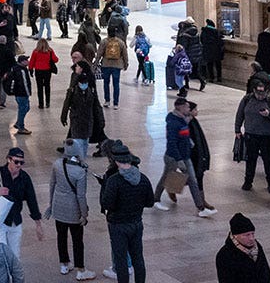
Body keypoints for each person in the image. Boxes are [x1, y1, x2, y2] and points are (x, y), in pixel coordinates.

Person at [98, 141, 154, 283]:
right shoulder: (143, 179)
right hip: (136, 223)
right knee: (138, 258)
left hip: (118, 226)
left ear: (116, 161)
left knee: (121, 260)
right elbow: (150, 202)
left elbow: (107, 204)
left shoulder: (114, 181)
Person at [153, 97, 216, 218]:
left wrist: (189, 143)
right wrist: (178, 160)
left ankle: (201, 208)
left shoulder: (183, 120)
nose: (189, 109)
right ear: (180, 108)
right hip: (173, 158)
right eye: (187, 107)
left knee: (193, 180)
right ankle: (156, 199)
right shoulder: (173, 122)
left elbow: (184, 136)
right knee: (165, 178)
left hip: (186, 156)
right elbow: (172, 143)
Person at [0, 147, 43, 255]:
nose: (19, 165)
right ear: (9, 159)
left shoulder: (24, 178)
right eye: (16, 162)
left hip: (15, 221)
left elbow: (32, 200)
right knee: (0, 253)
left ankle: (12, 272)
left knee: (15, 254)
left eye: (22, 163)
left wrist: (38, 224)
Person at [47, 139, 94, 281]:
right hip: (73, 210)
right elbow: (81, 195)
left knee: (61, 236)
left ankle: (64, 264)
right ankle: (81, 269)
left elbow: (52, 185)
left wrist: (51, 205)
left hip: (58, 206)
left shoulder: (57, 164)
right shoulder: (80, 171)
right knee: (77, 240)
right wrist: (84, 214)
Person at [233, 78, 270, 194]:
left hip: (267, 136)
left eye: (263, 93)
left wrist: (269, 114)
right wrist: (237, 129)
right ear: (254, 91)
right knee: (250, 159)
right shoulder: (247, 100)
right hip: (251, 135)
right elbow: (240, 114)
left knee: (267, 160)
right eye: (258, 92)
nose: (260, 95)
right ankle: (248, 182)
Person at [213, 213, 270, 283]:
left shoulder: (257, 247)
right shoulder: (224, 255)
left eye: (252, 233)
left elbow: (267, 273)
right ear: (235, 236)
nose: (251, 238)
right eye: (246, 235)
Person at [60, 61, 104, 150]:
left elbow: (93, 95)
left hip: (88, 111)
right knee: (75, 129)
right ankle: (68, 145)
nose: (76, 68)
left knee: (96, 130)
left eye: (78, 66)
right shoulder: (75, 75)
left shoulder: (87, 78)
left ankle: (103, 145)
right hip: (78, 112)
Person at [97, 34, 128, 108]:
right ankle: (115, 104)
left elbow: (99, 53)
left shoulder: (104, 41)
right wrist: (125, 64)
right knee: (116, 84)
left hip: (106, 65)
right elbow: (125, 54)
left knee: (106, 83)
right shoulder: (120, 42)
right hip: (117, 66)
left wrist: (96, 63)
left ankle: (107, 101)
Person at [28, 38, 58, 109]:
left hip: (38, 71)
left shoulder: (35, 51)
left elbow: (32, 61)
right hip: (47, 70)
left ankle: (41, 104)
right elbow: (56, 60)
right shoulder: (50, 51)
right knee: (47, 86)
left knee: (40, 88)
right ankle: (48, 102)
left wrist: (31, 69)